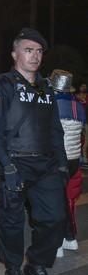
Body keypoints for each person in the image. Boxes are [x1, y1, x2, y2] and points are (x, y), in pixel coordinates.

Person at [0, 27, 68, 275]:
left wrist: (63, 164)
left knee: (55, 218)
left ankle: (37, 264)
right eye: (28, 50)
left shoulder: (46, 88)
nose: (35, 56)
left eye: (39, 51)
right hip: (15, 163)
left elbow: (56, 129)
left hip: (47, 166)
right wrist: (6, 166)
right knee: (11, 221)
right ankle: (13, 268)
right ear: (15, 54)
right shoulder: (4, 84)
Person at [48, 70, 85, 257]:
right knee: (68, 200)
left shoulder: (52, 105)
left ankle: (58, 245)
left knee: (53, 203)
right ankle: (70, 238)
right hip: (74, 160)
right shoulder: (79, 105)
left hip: (57, 160)